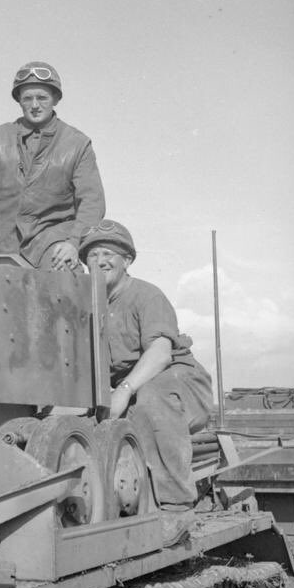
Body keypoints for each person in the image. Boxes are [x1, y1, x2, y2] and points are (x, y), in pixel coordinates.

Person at [79, 219, 213, 546]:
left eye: (110, 253)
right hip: (128, 385)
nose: (101, 261)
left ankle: (177, 507)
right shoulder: (87, 304)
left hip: (179, 382)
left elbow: (161, 352)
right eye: (93, 255)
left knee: (151, 398)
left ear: (128, 260)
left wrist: (124, 391)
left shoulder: (146, 296)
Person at [0, 61, 105, 270]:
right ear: (19, 102)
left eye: (42, 98)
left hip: (49, 246)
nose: (35, 105)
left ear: (55, 99)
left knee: (66, 283)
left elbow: (92, 203)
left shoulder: (77, 144)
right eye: (27, 98)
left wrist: (73, 242)